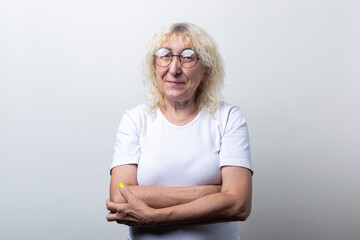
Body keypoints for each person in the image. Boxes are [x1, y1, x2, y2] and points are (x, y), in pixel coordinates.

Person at [106, 22, 253, 240]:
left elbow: (238, 205)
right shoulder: (134, 120)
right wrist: (209, 193)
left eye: (188, 57)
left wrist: (153, 216)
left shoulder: (228, 117)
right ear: (154, 66)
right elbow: (120, 195)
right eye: (165, 56)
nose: (174, 68)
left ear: (206, 71)